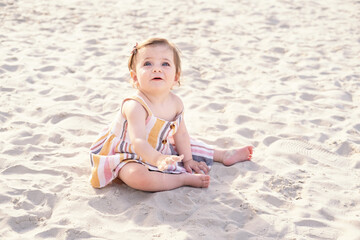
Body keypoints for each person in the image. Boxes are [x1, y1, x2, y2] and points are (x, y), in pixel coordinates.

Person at [89, 38, 253, 192]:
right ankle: (182, 179)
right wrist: (158, 159)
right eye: (148, 63)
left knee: (189, 145)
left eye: (165, 63)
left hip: (160, 145)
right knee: (136, 176)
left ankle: (224, 155)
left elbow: (181, 133)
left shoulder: (176, 103)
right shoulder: (135, 106)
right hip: (128, 153)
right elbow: (138, 141)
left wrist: (188, 160)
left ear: (176, 77)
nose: (157, 68)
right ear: (135, 77)